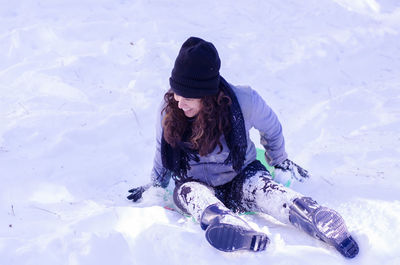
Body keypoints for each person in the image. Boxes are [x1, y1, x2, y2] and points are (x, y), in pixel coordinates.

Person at [127, 37, 359, 258]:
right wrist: (155, 184)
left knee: (265, 190)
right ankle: (225, 223)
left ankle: (312, 215)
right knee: (192, 195)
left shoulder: (242, 100)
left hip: (241, 175)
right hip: (193, 182)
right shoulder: (169, 109)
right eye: (177, 91)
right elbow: (162, 149)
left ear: (206, 95)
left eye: (188, 95)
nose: (179, 100)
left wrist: (279, 159)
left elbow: (272, 127)